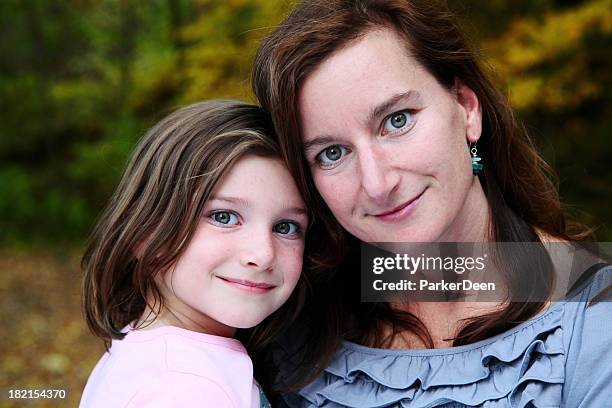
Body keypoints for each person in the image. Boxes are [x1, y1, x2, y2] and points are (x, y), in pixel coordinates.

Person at [251, 0, 612, 406]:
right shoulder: (284, 320)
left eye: (397, 120)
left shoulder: (596, 321)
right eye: (332, 153)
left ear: (467, 107)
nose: (377, 184)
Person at [79, 100, 311, 407]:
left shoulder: (143, 350)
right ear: (145, 233)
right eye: (224, 217)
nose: (263, 254)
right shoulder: (186, 388)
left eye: (285, 227)